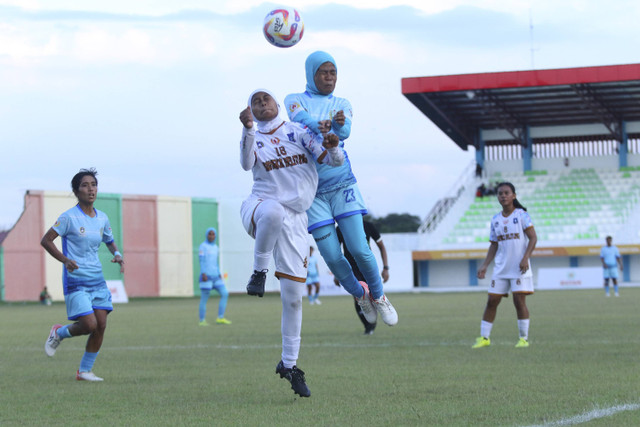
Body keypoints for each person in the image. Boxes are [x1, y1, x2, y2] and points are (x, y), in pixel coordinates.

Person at [239, 88, 345, 397]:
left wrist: (333, 145)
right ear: (251, 111)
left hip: (297, 221)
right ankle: (259, 272)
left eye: (266, 99)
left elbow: (332, 159)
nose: (262, 104)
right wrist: (246, 130)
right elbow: (246, 164)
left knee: (293, 298)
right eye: (256, 102)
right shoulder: (253, 137)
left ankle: (289, 364)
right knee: (272, 210)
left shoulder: (298, 132)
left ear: (275, 104)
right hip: (260, 207)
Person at [284, 51, 397, 326]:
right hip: (312, 192)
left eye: (333, 72)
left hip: (341, 184)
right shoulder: (294, 99)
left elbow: (344, 134)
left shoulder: (342, 103)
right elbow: (299, 119)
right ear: (311, 74)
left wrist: (336, 125)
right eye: (323, 72)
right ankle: (361, 294)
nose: (329, 77)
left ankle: (380, 297)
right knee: (333, 257)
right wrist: (317, 124)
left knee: (359, 249)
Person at [40, 168, 125, 381]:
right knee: (89, 325)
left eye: (93, 184)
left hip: (97, 280)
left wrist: (116, 253)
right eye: (85, 185)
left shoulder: (102, 218)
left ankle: (84, 371)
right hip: (76, 280)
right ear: (76, 191)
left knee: (101, 325)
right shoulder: (68, 217)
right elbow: (46, 240)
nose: (91, 189)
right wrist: (65, 260)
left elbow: (108, 239)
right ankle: (58, 333)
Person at [472, 182, 537, 349]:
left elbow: (533, 238)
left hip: (519, 268)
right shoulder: (495, 219)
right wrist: (485, 265)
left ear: (513, 195)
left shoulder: (522, 215)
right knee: (492, 301)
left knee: (519, 301)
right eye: (500, 193)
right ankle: (484, 338)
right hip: (501, 268)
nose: (503, 195)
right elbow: (494, 245)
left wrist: (525, 258)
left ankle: (523, 338)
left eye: (507, 193)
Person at [335, 221, 390, 335]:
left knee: (373, 294)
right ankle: (368, 326)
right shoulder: (340, 228)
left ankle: (376, 314)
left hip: (367, 266)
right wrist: (337, 273)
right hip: (351, 268)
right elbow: (335, 253)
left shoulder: (368, 226)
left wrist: (385, 268)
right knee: (359, 297)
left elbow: (381, 246)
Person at [198, 227, 231, 325]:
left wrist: (219, 273)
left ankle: (220, 317)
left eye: (213, 234)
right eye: (210, 234)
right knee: (204, 298)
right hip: (206, 277)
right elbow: (202, 261)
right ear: (207, 235)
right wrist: (203, 273)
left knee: (225, 293)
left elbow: (215, 263)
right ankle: (202, 320)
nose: (211, 236)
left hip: (216, 276)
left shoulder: (216, 248)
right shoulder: (202, 246)